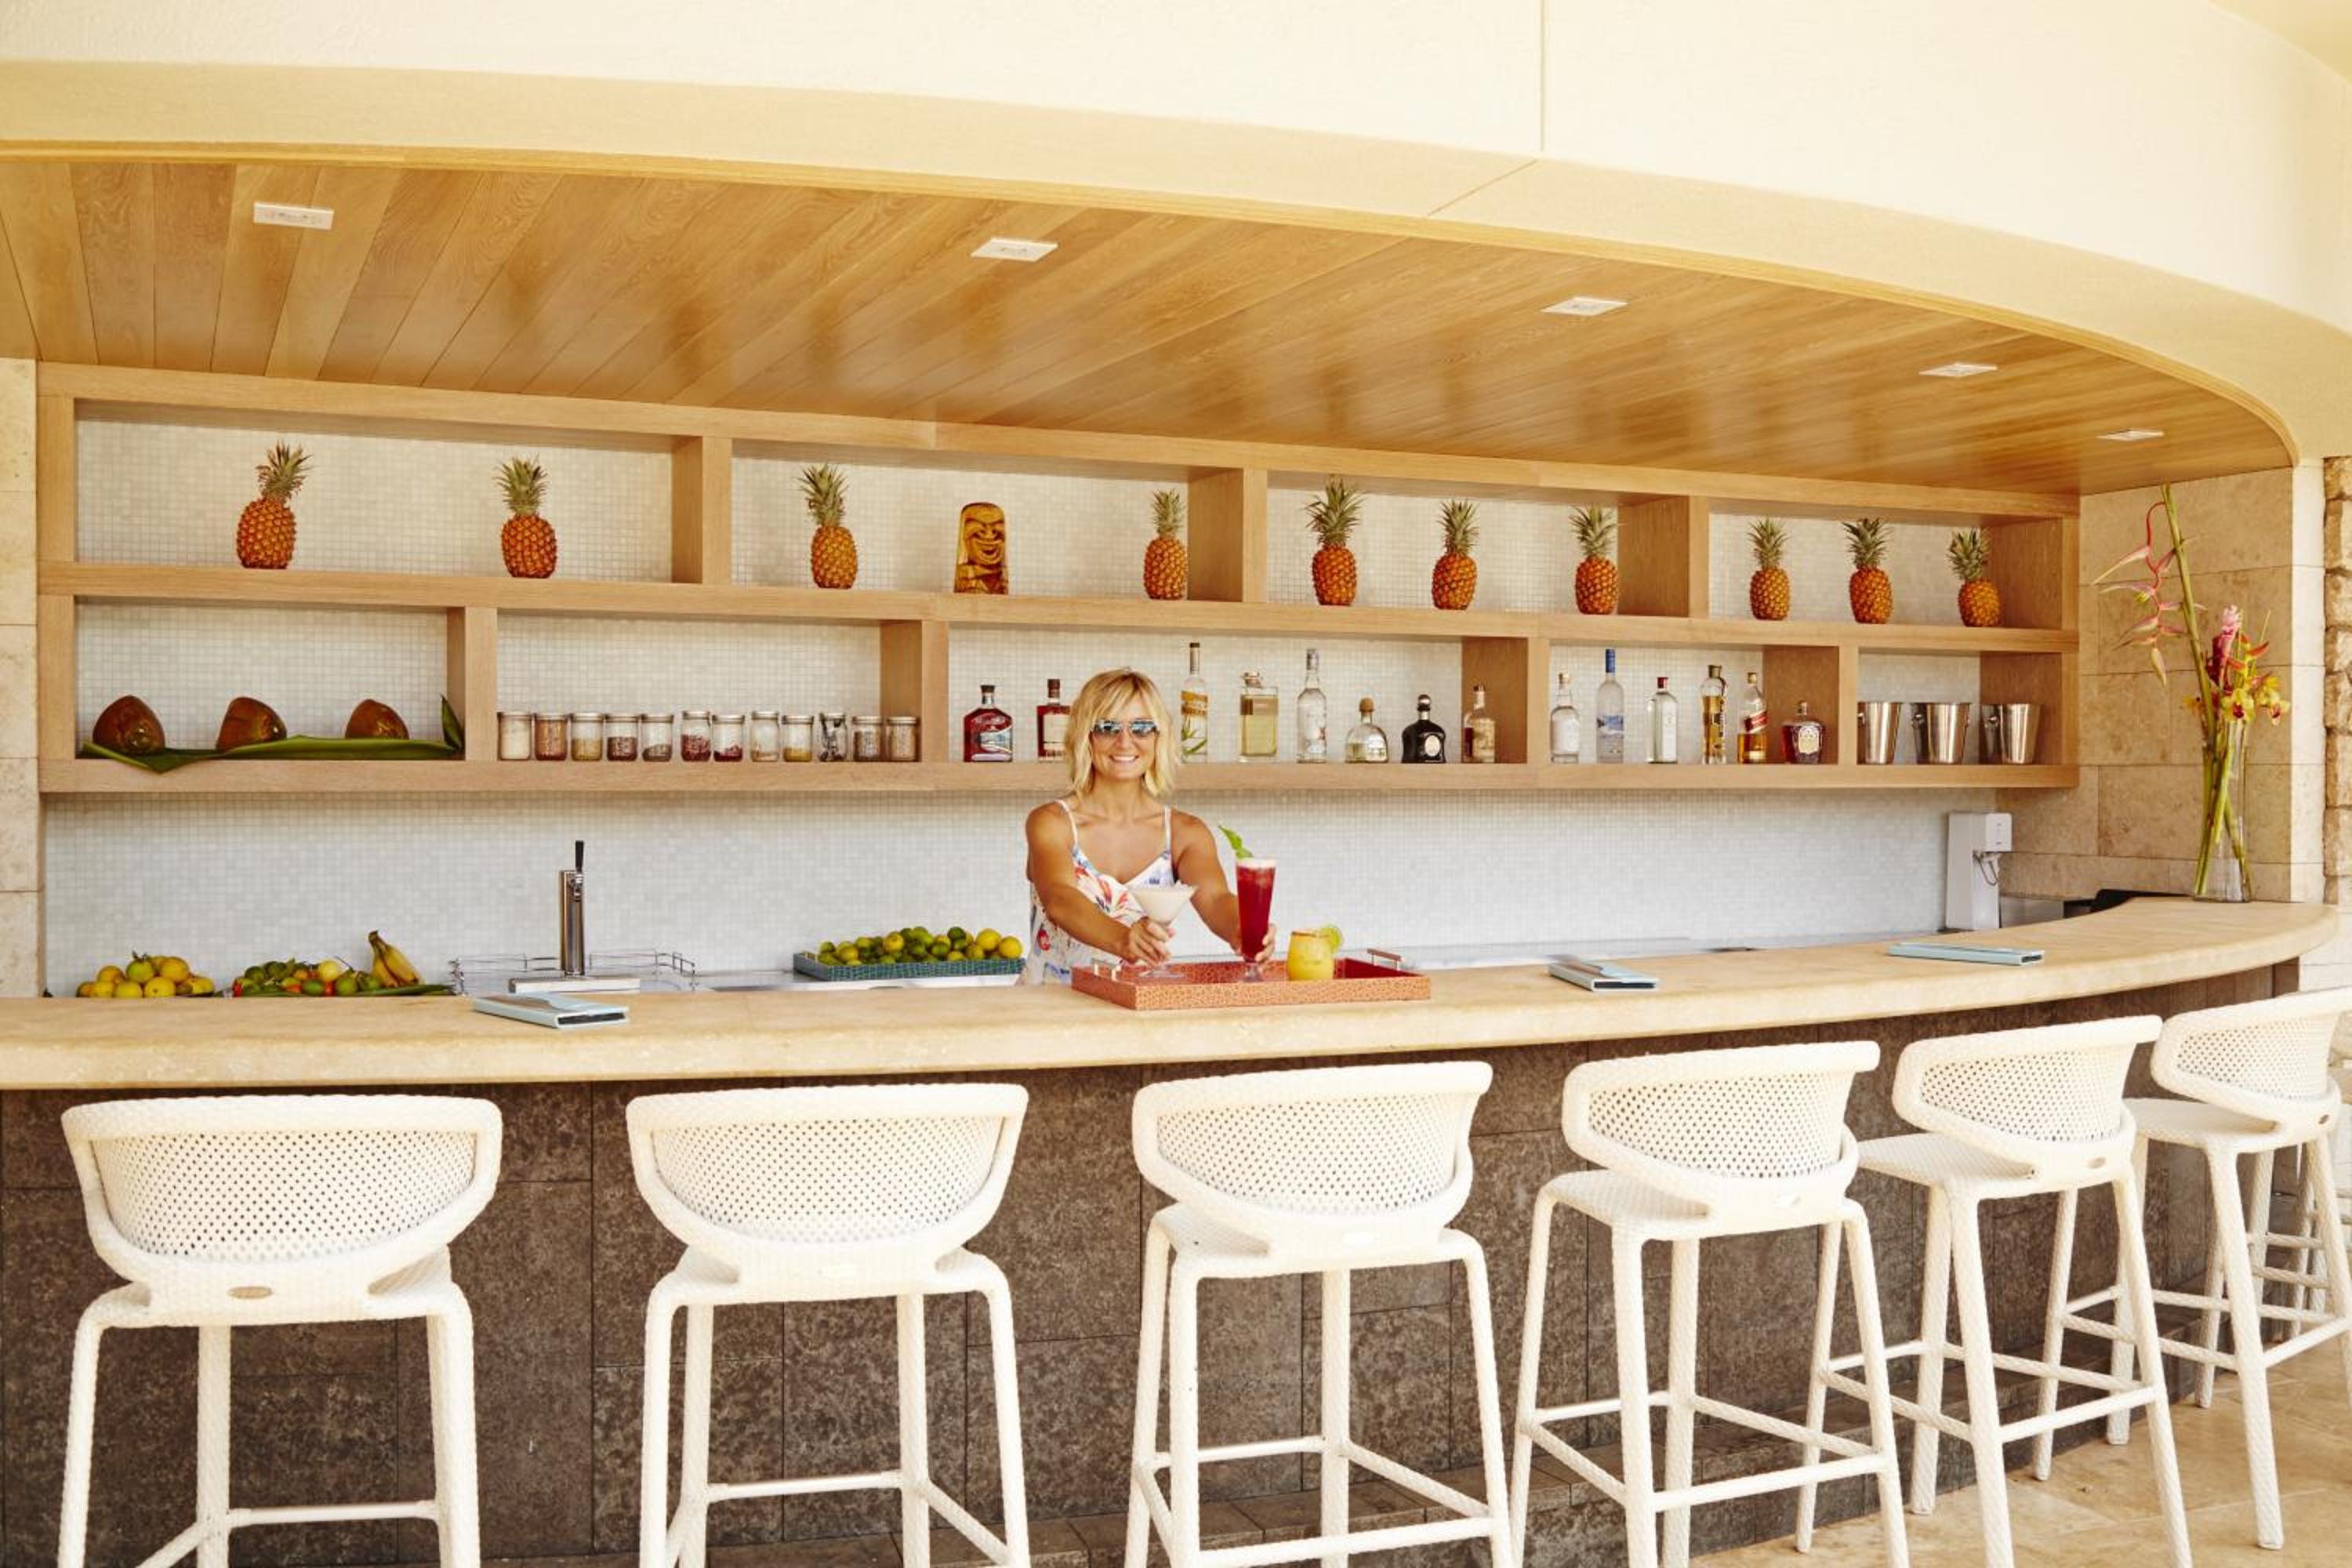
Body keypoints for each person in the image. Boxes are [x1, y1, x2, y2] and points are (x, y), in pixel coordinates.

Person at [1022, 667, 1267, 985]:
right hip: (1048, 1005)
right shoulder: (1051, 822)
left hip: (1133, 1006)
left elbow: (1217, 899)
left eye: (1141, 727)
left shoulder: (1185, 833)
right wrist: (1123, 939)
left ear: (1157, 738)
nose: (1125, 742)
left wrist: (1244, 929)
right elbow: (1060, 899)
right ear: (1086, 736)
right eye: (1108, 727)